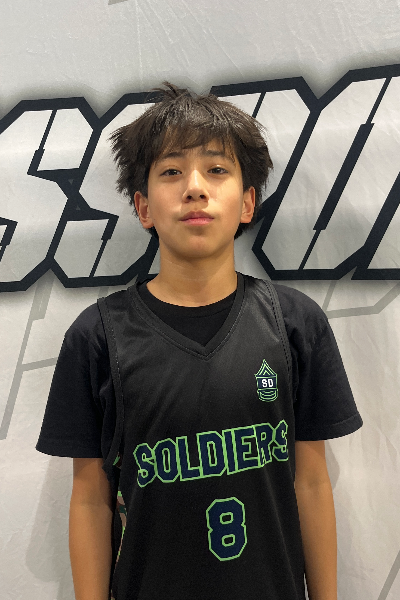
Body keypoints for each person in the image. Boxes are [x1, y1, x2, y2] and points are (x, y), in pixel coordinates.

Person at [36, 82, 363, 600]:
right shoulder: (97, 336)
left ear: (247, 202)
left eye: (216, 169)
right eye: (171, 171)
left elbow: (311, 482)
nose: (194, 188)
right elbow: (90, 498)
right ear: (143, 207)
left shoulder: (295, 324)